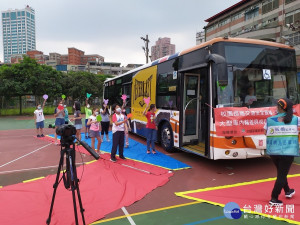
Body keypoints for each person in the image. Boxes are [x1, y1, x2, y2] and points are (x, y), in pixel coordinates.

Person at [265, 98, 299, 206]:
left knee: (281, 172)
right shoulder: (296, 119)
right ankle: (274, 197)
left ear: (280, 108)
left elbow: (265, 132)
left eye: (277, 106)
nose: (276, 107)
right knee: (281, 175)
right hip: (288, 151)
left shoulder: (269, 120)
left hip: (273, 151)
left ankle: (288, 190)